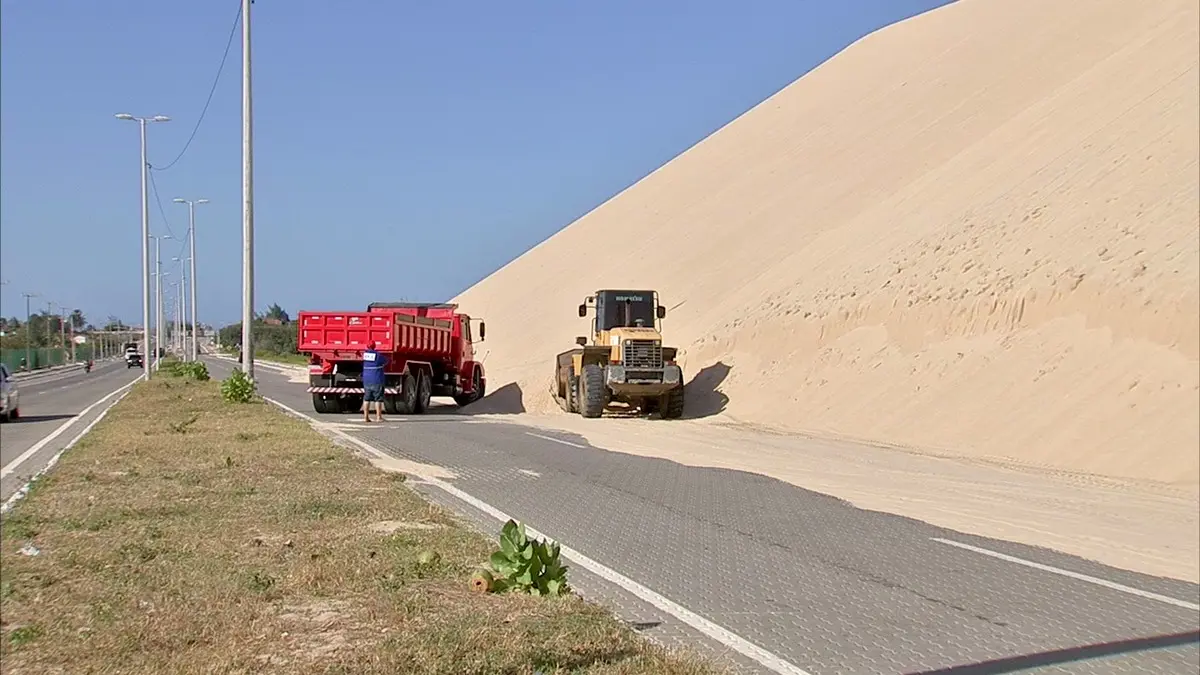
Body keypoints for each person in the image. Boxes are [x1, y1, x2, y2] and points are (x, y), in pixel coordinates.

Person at [361, 341, 388, 422]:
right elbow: (386, 360)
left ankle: (366, 417)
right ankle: (378, 417)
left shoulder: (365, 355)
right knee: (378, 399)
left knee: (366, 398)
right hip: (377, 379)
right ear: (374, 346)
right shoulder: (378, 355)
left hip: (366, 380)